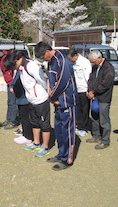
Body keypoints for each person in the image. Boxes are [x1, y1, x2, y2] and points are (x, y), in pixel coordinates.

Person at [35, 42, 78, 171]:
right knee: (59, 130)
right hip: (57, 102)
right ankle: (61, 154)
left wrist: (51, 97)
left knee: (67, 131)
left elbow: (63, 82)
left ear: (48, 51)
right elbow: (51, 79)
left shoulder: (62, 60)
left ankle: (68, 159)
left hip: (67, 101)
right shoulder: (52, 61)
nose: (44, 59)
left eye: (43, 56)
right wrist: (51, 96)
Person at [4, 51, 51, 157]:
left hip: (40, 99)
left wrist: (44, 93)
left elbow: (42, 80)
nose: (14, 68)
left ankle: (45, 146)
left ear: (17, 60)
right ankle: (36, 143)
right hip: (30, 99)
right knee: (34, 122)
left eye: (13, 66)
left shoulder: (31, 66)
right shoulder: (20, 67)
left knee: (44, 124)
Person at [86, 50, 114, 150]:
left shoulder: (108, 67)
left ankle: (105, 140)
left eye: (93, 61)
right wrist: (89, 90)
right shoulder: (95, 67)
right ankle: (96, 135)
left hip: (104, 97)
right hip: (94, 97)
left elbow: (105, 83)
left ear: (99, 58)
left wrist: (94, 92)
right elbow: (91, 79)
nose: (92, 63)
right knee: (94, 117)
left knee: (104, 120)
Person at [67, 48, 92, 137]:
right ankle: (78, 124)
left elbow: (88, 76)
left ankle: (83, 127)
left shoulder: (84, 62)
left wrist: (89, 90)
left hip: (84, 89)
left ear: (75, 56)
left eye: (70, 58)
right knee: (77, 108)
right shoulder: (72, 63)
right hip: (76, 89)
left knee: (84, 109)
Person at [9, 70, 33, 145]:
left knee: (26, 118)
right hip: (19, 97)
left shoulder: (26, 68)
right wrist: (12, 86)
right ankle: (25, 134)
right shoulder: (19, 69)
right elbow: (15, 80)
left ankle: (28, 136)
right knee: (22, 117)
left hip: (25, 98)